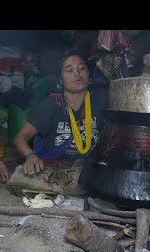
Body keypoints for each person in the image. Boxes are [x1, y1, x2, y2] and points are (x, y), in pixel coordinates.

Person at [9, 49, 108, 196]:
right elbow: (20, 138)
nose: (77, 73)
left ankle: (81, 188)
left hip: (89, 169)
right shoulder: (51, 105)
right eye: (69, 70)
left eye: (82, 68)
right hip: (56, 171)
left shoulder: (101, 103)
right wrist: (30, 156)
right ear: (60, 80)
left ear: (89, 77)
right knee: (19, 178)